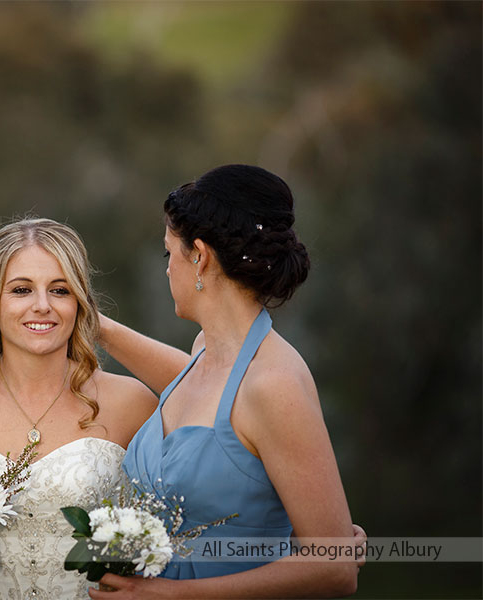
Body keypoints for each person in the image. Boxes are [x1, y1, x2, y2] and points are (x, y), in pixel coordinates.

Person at [92, 164, 361, 598]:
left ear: (199, 255)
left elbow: (336, 568)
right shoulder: (206, 352)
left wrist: (172, 595)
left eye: (169, 254)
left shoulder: (275, 385)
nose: (166, 270)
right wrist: (95, 326)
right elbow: (196, 393)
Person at [0, 218, 158, 599]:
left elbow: (214, 387)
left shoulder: (132, 403)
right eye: (21, 290)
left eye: (60, 290)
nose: (42, 306)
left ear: (80, 301)